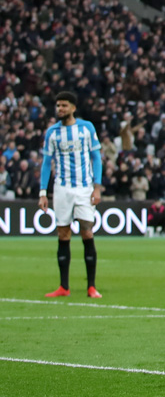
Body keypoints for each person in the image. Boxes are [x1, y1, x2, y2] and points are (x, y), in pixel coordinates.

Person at [39, 92, 103, 298]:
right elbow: (47, 163)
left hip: (84, 189)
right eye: (58, 106)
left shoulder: (86, 128)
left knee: (87, 232)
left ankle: (91, 287)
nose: (60, 109)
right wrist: (43, 192)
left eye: (64, 106)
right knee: (63, 234)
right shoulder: (52, 133)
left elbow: (96, 158)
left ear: (73, 108)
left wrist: (97, 187)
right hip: (62, 189)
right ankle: (64, 287)